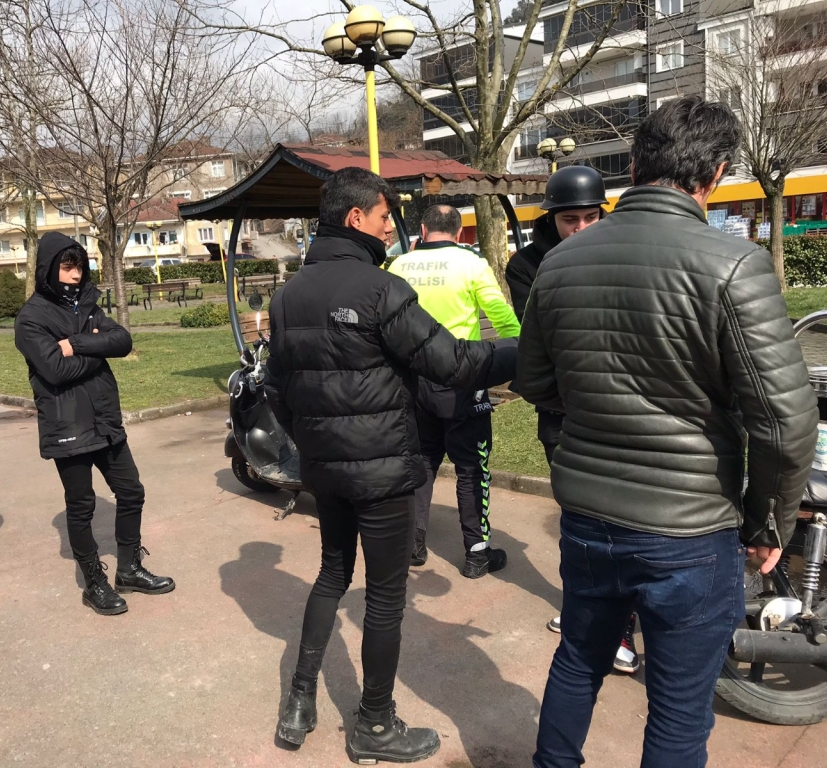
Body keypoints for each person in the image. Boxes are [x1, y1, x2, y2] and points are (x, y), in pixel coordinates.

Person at [518, 96, 819, 768]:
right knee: (679, 708)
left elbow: (536, 383)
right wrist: (768, 524)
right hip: (689, 530)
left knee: (578, 659)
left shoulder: (559, 263)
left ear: (633, 165)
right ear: (716, 173)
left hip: (589, 515)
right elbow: (785, 420)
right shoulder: (733, 264)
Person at [264, 167, 518, 764]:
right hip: (380, 473)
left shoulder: (287, 295)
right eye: (384, 216)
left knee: (331, 575)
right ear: (356, 217)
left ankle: (299, 701)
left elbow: (276, 388)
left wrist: (312, 441)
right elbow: (453, 363)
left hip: (325, 469)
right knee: (383, 596)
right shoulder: (381, 289)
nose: (389, 228)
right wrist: (527, 350)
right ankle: (374, 725)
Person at [505, 167, 642, 674]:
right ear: (551, 219)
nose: (581, 228)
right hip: (563, 411)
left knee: (624, 522)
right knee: (579, 520)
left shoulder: (622, 249)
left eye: (590, 217)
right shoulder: (527, 265)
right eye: (570, 220)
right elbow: (543, 338)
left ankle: (622, 626)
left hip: (623, 409)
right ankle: (586, 609)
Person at [15, 233, 174, 616]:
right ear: (49, 269)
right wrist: (96, 347)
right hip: (67, 424)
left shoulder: (87, 305)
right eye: (67, 267)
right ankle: (94, 583)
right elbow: (55, 369)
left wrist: (77, 344)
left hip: (105, 419)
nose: (75, 275)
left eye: (79, 267)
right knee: (82, 505)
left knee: (131, 491)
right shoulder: (31, 318)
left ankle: (129, 569)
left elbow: (122, 341)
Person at [388, 204, 520, 577]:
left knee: (422, 462)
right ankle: (477, 554)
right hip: (463, 380)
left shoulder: (399, 266)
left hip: (415, 381)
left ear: (423, 229)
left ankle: (413, 545)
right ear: (459, 232)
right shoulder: (471, 263)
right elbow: (501, 315)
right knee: (472, 467)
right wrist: (522, 349)